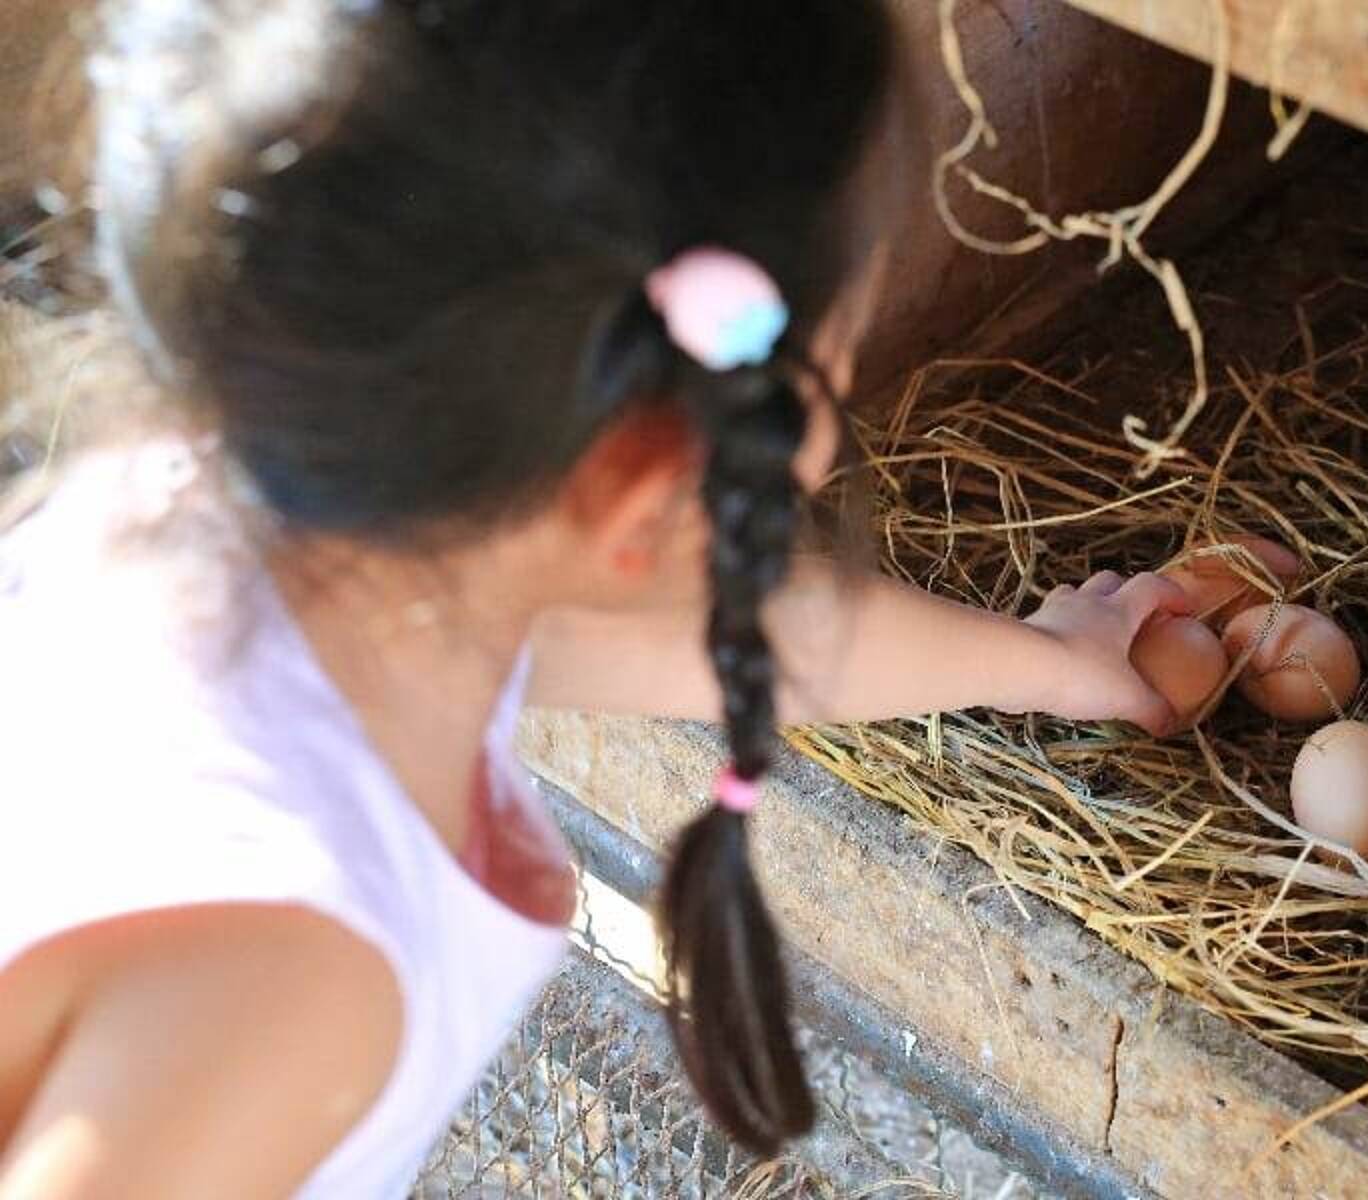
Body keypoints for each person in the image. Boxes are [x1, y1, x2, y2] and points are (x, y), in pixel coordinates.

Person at [0, 2, 1190, 1195]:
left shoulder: (311, 533)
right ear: (642, 488)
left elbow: (738, 636)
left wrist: (1049, 660)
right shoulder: (286, 969)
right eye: (836, 349)